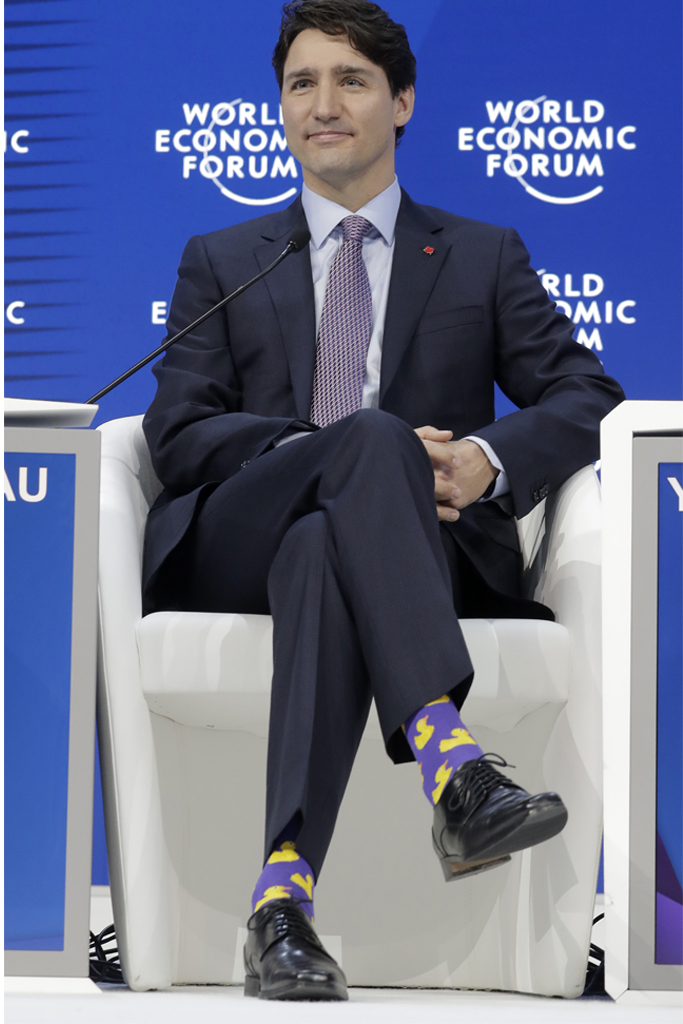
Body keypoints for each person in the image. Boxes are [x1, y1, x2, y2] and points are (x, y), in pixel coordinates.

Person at [142, 0, 624, 1002]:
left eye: (351, 81)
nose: (323, 104)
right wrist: (327, 450)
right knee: (364, 439)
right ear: (281, 107)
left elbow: (585, 394)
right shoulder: (221, 259)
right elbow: (178, 432)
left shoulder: (481, 254)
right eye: (301, 84)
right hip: (236, 539)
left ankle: (281, 907)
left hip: (410, 549)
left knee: (323, 543)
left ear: (401, 101)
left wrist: (483, 459)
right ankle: (450, 764)